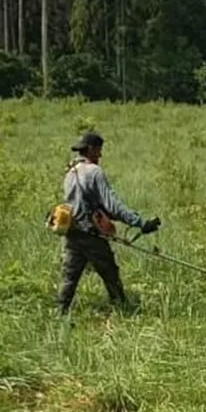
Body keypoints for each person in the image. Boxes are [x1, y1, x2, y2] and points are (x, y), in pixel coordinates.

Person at [57, 131, 160, 315]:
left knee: (69, 277)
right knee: (110, 272)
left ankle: (60, 315)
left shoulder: (70, 171)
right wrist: (139, 222)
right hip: (91, 233)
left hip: (71, 231)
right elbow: (112, 205)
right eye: (98, 150)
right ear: (90, 149)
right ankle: (124, 311)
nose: (100, 155)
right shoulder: (94, 172)